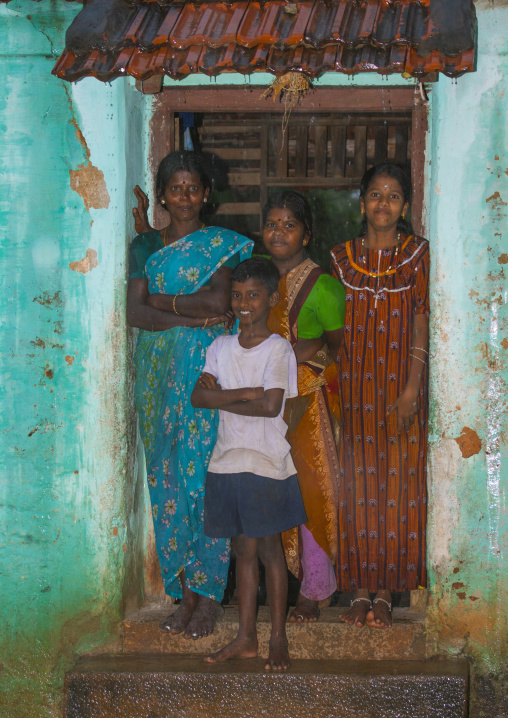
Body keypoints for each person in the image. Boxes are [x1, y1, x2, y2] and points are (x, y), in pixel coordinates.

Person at [127, 151, 253, 639]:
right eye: (174, 188)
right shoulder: (144, 245)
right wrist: (188, 316)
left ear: (206, 194)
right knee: (165, 474)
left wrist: (162, 302)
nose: (184, 196)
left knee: (204, 475)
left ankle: (208, 596)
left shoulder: (222, 246)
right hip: (156, 376)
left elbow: (220, 301)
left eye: (192, 187)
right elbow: (136, 314)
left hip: (204, 372)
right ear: (162, 195)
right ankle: (183, 595)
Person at [191, 257, 306, 670]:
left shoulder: (278, 349)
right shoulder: (220, 347)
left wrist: (228, 394)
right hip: (226, 460)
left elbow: (271, 405)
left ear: (272, 299)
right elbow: (199, 398)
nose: (243, 303)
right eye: (237, 295)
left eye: (253, 295)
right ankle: (245, 637)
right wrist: (245, 394)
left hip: (266, 461)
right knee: (242, 548)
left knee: (270, 549)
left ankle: (277, 637)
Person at [330, 163, 429, 628]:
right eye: (374, 194)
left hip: (398, 387)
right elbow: (330, 328)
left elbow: (422, 318)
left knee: (396, 485)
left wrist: (412, 386)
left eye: (392, 196)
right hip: (352, 389)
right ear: (362, 201)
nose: (383, 204)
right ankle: (358, 591)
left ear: (404, 206)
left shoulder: (416, 255)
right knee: (356, 486)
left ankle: (386, 592)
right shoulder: (340, 258)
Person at [263, 191, 346, 623]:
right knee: (273, 492)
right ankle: (281, 586)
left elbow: (338, 347)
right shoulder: (254, 280)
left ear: (306, 234)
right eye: (272, 223)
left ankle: (313, 591)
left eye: (289, 224)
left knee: (313, 492)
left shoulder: (324, 285)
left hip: (306, 401)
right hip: (262, 404)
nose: (279, 232)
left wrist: (298, 360)